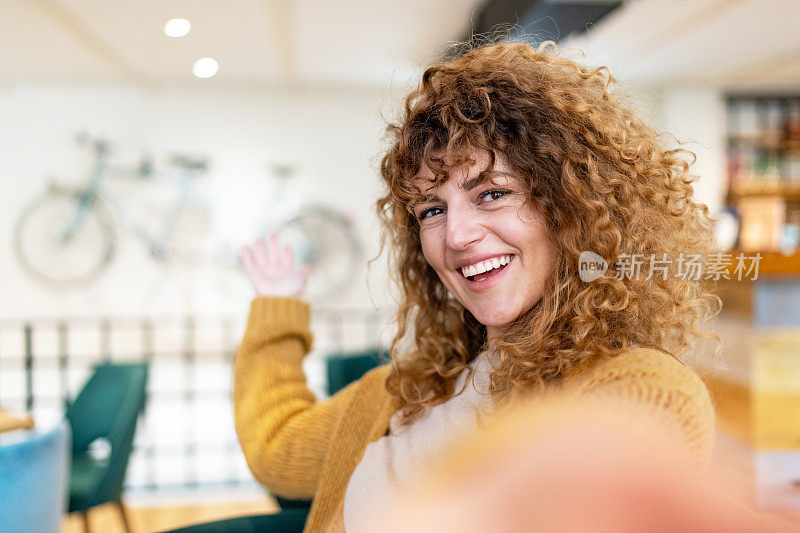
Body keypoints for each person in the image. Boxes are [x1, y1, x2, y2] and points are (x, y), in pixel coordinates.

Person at [234, 41, 720, 532]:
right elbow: (277, 447)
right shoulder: (407, 390)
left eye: (492, 193)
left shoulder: (630, 385)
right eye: (432, 209)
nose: (456, 235)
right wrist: (277, 304)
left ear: (575, 209)